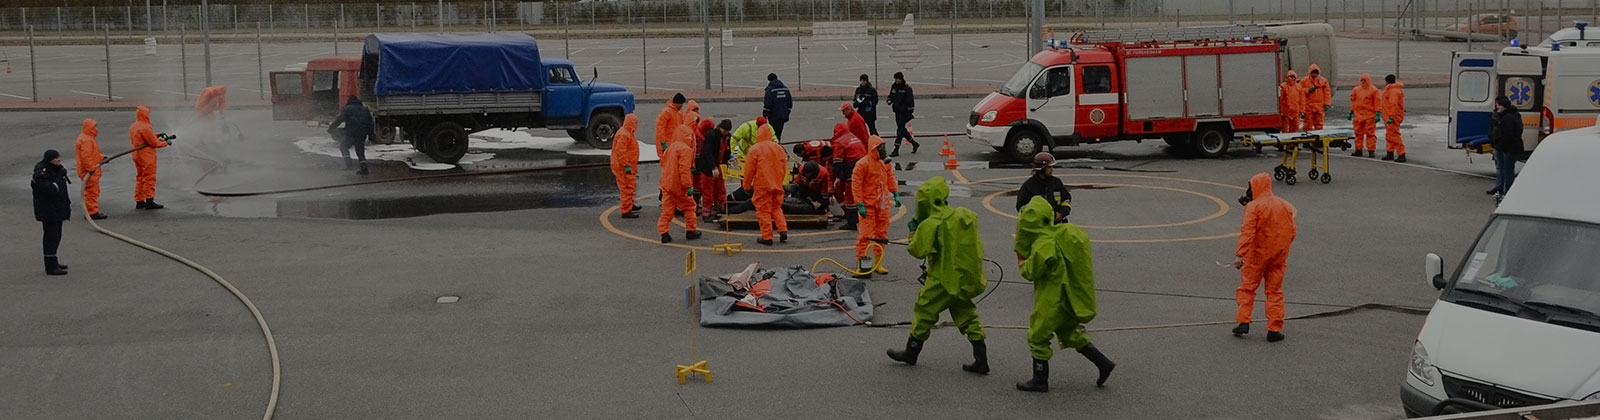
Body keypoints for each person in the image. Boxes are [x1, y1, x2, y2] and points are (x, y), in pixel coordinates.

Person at [1014, 196, 1117, 392]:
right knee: (1069, 332)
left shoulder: (1043, 244)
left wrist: (1021, 260)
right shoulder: (1064, 234)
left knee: (1038, 335)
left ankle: (1040, 379)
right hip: (1069, 297)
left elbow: (1030, 272)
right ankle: (1103, 363)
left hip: (1053, 299)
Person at [887, 176, 989, 374]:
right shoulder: (964, 215)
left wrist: (913, 232)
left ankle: (911, 352)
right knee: (966, 313)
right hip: (962, 276)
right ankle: (981, 358)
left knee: (924, 310)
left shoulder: (931, 224)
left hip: (942, 278)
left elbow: (918, 251)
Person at [1230, 173, 1298, 342]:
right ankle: (1274, 329)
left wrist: (1240, 254)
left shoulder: (1254, 207)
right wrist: (1282, 250)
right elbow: (1292, 231)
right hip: (1278, 256)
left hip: (1257, 256)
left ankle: (1243, 321)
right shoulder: (1284, 205)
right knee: (1274, 291)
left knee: (1247, 288)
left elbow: (1247, 232)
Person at [852, 135, 899, 275]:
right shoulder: (862, 164)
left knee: (882, 233)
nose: (883, 151)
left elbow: (890, 177)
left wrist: (895, 192)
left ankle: (878, 263)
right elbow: (856, 184)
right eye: (880, 148)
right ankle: (862, 264)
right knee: (865, 235)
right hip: (868, 204)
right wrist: (859, 203)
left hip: (883, 203)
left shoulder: (885, 163)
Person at [742, 124, 789, 245]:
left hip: (762, 185)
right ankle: (782, 229)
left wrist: (746, 186)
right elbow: (784, 167)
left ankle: (767, 236)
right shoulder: (779, 148)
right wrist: (780, 181)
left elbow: (749, 170)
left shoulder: (755, 149)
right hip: (777, 183)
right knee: (776, 207)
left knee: (763, 210)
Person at [658, 124, 702, 243]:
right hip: (679, 186)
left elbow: (665, 165)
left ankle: (664, 233)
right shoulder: (685, 150)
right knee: (689, 207)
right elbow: (684, 170)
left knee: (667, 210)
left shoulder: (671, 147)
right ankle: (691, 230)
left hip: (667, 185)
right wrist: (688, 186)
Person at [32, 149, 72, 276]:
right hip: (48, 211)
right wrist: (56, 182)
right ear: (50, 159)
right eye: (56, 158)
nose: (59, 159)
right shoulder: (41, 173)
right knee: (51, 237)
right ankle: (50, 266)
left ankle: (53, 261)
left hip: (57, 209)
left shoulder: (56, 170)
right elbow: (48, 188)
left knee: (57, 235)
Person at [129, 105, 171, 210]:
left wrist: (157, 135)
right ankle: (149, 200)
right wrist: (165, 143)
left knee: (140, 177)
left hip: (136, 154)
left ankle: (139, 201)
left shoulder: (134, 125)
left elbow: (145, 137)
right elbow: (153, 143)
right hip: (146, 156)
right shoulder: (145, 127)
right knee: (149, 177)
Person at [831, 122, 868, 230]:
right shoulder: (852, 137)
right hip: (863, 166)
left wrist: (838, 177)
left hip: (851, 169)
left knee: (850, 197)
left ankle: (851, 222)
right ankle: (860, 216)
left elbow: (838, 162)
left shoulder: (839, 142)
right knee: (862, 193)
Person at [1015, 152, 1072, 222]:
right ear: (1041, 169)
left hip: (1058, 224)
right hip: (1039, 226)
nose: (1052, 170)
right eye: (1049, 167)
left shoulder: (1057, 182)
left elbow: (1066, 199)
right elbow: (1021, 208)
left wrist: (1061, 213)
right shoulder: (1029, 186)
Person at [1488, 96, 1524, 200]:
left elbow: (1507, 134)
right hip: (1507, 147)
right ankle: (1503, 190)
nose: (1497, 107)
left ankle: (1506, 192)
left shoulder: (1507, 118)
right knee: (1506, 169)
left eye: (1499, 105)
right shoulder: (1511, 115)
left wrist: (1500, 144)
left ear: (1504, 106)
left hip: (1507, 148)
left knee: (1507, 170)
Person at [328, 96, 375, 175]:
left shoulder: (347, 109)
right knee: (360, 151)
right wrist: (371, 134)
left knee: (343, 147)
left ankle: (349, 164)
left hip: (351, 133)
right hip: (362, 133)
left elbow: (339, 119)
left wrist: (331, 128)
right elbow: (370, 123)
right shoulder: (365, 109)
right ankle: (364, 168)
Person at [696, 119, 733, 219]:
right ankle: (706, 212)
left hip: (718, 164)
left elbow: (727, 150)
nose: (726, 133)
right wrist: (713, 167)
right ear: (720, 128)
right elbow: (708, 152)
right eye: (725, 130)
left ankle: (720, 206)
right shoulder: (712, 136)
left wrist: (727, 161)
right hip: (708, 166)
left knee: (720, 188)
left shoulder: (727, 137)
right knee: (708, 189)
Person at [74, 118, 108, 220]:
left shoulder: (87, 138)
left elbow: (92, 154)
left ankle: (91, 210)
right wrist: (91, 169)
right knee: (91, 191)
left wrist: (102, 157)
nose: (96, 129)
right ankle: (92, 212)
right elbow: (86, 157)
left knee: (91, 191)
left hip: (89, 169)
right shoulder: (86, 140)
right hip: (89, 170)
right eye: (94, 126)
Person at [611, 113, 642, 219]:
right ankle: (626, 210)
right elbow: (621, 151)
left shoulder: (627, 132)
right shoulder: (625, 134)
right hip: (623, 166)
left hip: (627, 165)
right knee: (627, 187)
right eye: (635, 123)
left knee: (631, 186)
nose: (636, 125)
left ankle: (630, 204)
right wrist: (626, 165)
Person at [1348, 73, 1381, 158]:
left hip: (1369, 116)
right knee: (1358, 133)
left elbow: (1377, 102)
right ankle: (1358, 149)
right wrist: (1351, 111)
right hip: (1358, 115)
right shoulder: (1356, 90)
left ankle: (1371, 150)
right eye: (1361, 80)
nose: (1363, 82)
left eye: (1364, 80)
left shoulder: (1374, 90)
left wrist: (1378, 113)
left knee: (1370, 134)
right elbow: (1354, 101)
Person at [887, 72, 919, 156]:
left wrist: (910, 112)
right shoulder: (894, 86)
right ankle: (914, 143)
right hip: (897, 111)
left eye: (898, 79)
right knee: (902, 129)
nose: (896, 80)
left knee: (900, 130)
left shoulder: (906, 88)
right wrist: (889, 100)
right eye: (895, 79)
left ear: (901, 79)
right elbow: (891, 96)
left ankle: (896, 148)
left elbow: (910, 101)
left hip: (904, 112)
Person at [1380, 74, 1407, 162]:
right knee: (1390, 135)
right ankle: (1390, 152)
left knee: (1394, 135)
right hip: (1389, 116)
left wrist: (1391, 117)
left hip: (1392, 117)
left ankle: (1401, 154)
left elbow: (1393, 105)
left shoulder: (1393, 91)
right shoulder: (1391, 90)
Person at [1300, 64, 1332, 130]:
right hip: (1309, 106)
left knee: (1319, 124)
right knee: (1308, 125)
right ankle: (1308, 138)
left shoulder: (1323, 81)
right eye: (1313, 72)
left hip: (1319, 107)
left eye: (1316, 72)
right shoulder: (1304, 81)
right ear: (1310, 72)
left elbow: (1327, 93)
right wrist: (1308, 90)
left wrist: (1327, 104)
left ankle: (1319, 137)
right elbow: (1299, 91)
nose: (1314, 74)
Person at [762, 73, 793, 139]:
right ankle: (778, 143)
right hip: (783, 116)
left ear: (769, 80)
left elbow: (768, 103)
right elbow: (789, 103)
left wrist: (765, 114)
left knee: (773, 133)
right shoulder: (785, 89)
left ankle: (774, 146)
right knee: (779, 132)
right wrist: (787, 112)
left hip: (773, 116)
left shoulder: (770, 89)